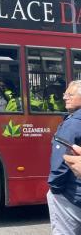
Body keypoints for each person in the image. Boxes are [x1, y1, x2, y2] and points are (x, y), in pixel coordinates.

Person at [48, 79, 81, 234]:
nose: (64, 97)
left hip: (70, 193)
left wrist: (55, 188)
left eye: (70, 94)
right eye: (65, 93)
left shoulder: (72, 124)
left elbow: (60, 162)